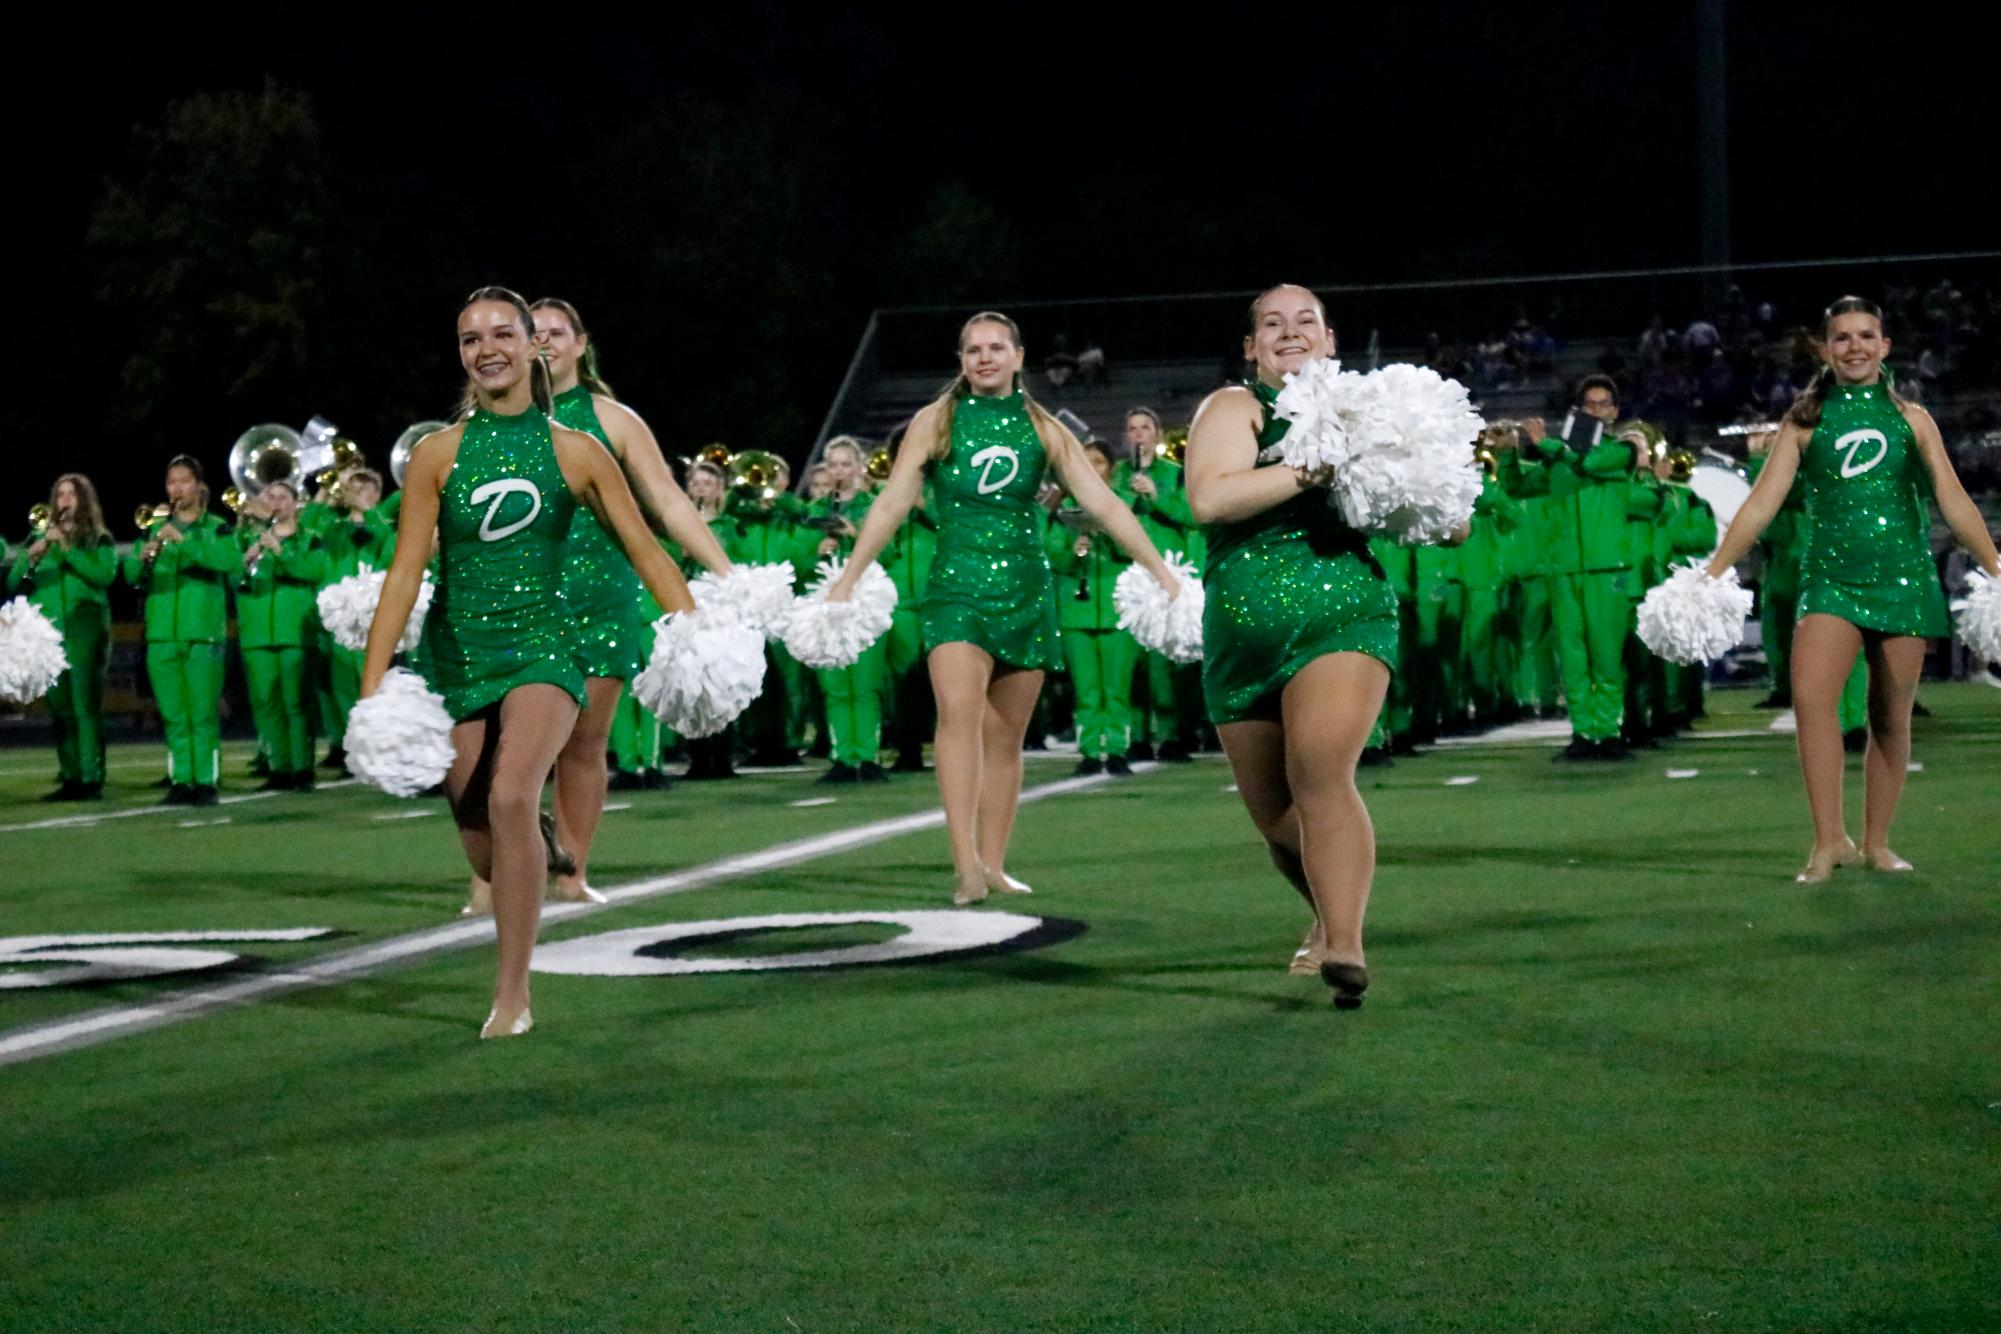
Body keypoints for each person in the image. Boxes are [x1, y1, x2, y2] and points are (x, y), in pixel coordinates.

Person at [360, 287, 697, 1039]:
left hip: (547, 645)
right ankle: (534, 838)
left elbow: (644, 547)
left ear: (530, 346)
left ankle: (511, 995)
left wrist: (695, 630)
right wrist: (373, 685)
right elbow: (406, 573)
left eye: (502, 334)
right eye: (470, 338)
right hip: (457, 651)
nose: (487, 349)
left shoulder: (577, 450)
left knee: (511, 794)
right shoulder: (434, 455)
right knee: (482, 841)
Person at [826, 311, 1180, 906]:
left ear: (1019, 357)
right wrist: (848, 577)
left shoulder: (1044, 429)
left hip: (1025, 590)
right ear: (961, 361)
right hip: (956, 589)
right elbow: (890, 505)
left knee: (1006, 736)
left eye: (996, 348)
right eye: (972, 350)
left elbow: (1106, 507)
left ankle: (993, 863)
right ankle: (964, 862)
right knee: (958, 714)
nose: (984, 357)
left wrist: (1162, 572)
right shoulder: (935, 421)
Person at [1704, 296, 2000, 883]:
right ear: (1824, 349)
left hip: (1903, 578)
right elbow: (1762, 503)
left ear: (1885, 346)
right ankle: (1828, 840)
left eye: (1867, 336)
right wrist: (1714, 569)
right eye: (1842, 337)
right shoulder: (1803, 423)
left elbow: (1952, 498)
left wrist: (1995, 563)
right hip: (1830, 580)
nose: (1855, 346)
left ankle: (1877, 841)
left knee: (1890, 716)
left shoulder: (1913, 420)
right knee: (1812, 701)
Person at [1185, 284, 1402, 1009]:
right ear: (1250, 347)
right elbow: (1210, 498)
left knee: (1318, 771)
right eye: (1270, 324)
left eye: (1304, 320)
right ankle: (1326, 908)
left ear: (1330, 339)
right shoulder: (1233, 407)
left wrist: (1411, 479)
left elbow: (1448, 517)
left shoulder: (1371, 411)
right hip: (1240, 634)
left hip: (1342, 614)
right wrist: (1314, 467)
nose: (1288, 331)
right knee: (1275, 815)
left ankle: (1345, 942)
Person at [530, 297, 733, 899]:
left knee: (585, 744)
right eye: (532, 333)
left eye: (555, 333)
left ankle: (574, 873)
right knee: (511, 749)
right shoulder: (495, 421)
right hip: (521, 600)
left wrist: (727, 574)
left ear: (580, 343)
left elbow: (669, 503)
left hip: (602, 599)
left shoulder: (614, 420)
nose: (543, 343)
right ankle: (493, 878)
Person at [122, 456, 241, 806]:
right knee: (173, 715)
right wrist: (142, 556)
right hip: (161, 635)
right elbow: (130, 577)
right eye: (171, 482)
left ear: (199, 486)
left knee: (202, 714)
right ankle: (181, 780)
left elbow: (229, 563)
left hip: (202, 633)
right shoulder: (153, 528)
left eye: (183, 481)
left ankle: (205, 782)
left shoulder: (218, 528)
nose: (176, 489)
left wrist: (185, 543)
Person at [7, 475, 117, 800]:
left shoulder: (98, 537)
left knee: (85, 707)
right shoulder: (37, 537)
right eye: (60, 495)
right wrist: (31, 558)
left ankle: (91, 777)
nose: (64, 501)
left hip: (86, 627)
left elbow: (104, 574)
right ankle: (70, 776)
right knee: (60, 709)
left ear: (83, 500)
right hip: (47, 633)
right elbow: (14, 583)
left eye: (71, 494)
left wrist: (67, 549)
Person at [1046, 441, 1140, 776]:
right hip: (1076, 611)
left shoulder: (1124, 504)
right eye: (1085, 462)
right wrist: (1074, 549)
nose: (1092, 468)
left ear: (1111, 468)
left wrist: (1109, 534)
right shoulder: (1065, 509)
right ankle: (1088, 751)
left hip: (1118, 609)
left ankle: (1116, 750)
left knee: (1116, 689)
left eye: (1099, 461)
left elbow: (1137, 549)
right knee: (1086, 690)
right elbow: (1054, 557)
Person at [1113, 407, 1201, 761]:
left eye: (1145, 428)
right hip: (1127, 576)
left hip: (1166, 575)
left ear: (1157, 435)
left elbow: (1192, 516)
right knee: (1131, 664)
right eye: (1131, 428)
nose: (1138, 435)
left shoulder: (1176, 476)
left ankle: (1170, 734)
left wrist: (1156, 495)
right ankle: (1134, 737)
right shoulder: (1117, 476)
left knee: (1164, 664)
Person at [233, 480, 331, 791]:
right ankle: (279, 768)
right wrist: (244, 562)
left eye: (282, 497)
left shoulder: (310, 539)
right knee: (266, 705)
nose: (275, 502)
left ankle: (302, 769)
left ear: (294, 503)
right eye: (269, 497)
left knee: (296, 704)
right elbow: (230, 579)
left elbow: (315, 572)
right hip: (256, 634)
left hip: (295, 634)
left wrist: (280, 553)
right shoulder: (247, 538)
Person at [806, 437, 889, 782]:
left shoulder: (876, 505)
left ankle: (867, 757)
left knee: (865, 683)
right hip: (828, 598)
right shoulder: (817, 508)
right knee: (836, 684)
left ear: (858, 466)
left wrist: (855, 535)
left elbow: (891, 551)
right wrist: (818, 549)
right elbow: (799, 559)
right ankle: (843, 756)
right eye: (833, 465)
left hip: (866, 598)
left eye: (845, 464)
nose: (839, 471)